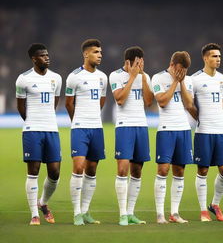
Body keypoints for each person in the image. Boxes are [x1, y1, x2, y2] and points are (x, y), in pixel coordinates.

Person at [16, 43, 62, 225]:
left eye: (48, 55)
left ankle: (43, 203)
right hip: (32, 130)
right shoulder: (23, 79)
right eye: (43, 56)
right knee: (33, 170)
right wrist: (32, 122)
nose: (47, 58)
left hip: (52, 130)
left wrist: (46, 119)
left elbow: (55, 102)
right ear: (34, 59)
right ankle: (34, 214)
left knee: (55, 172)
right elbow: (21, 106)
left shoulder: (56, 78)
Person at [109, 46, 153, 226]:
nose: (140, 66)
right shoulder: (115, 76)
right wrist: (133, 76)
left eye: (142, 63)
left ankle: (131, 212)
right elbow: (120, 99)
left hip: (141, 126)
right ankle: (122, 214)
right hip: (124, 126)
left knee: (137, 171)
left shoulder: (145, 77)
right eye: (137, 63)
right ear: (127, 62)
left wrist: (141, 77)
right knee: (122, 169)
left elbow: (149, 102)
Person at [65, 39, 107, 226]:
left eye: (100, 52)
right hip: (80, 127)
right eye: (96, 52)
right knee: (79, 167)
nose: (100, 55)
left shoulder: (102, 77)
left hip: (96, 127)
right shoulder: (73, 77)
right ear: (85, 54)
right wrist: (78, 120)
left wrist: (93, 117)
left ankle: (85, 211)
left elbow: (102, 100)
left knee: (91, 169)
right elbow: (68, 103)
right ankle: (76, 213)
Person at [152, 51, 194, 224]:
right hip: (166, 129)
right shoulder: (158, 78)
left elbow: (189, 104)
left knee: (180, 171)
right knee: (163, 170)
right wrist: (175, 82)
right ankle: (160, 214)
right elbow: (162, 101)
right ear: (172, 63)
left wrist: (182, 83)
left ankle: (175, 213)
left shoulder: (188, 80)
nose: (182, 71)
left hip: (183, 129)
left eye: (185, 69)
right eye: (180, 68)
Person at [191, 43, 223, 222]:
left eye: (220, 57)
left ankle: (214, 204)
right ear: (205, 58)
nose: (218, 59)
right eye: (214, 56)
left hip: (221, 131)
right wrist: (200, 118)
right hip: (204, 131)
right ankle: (203, 211)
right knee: (203, 170)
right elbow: (190, 105)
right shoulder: (195, 79)